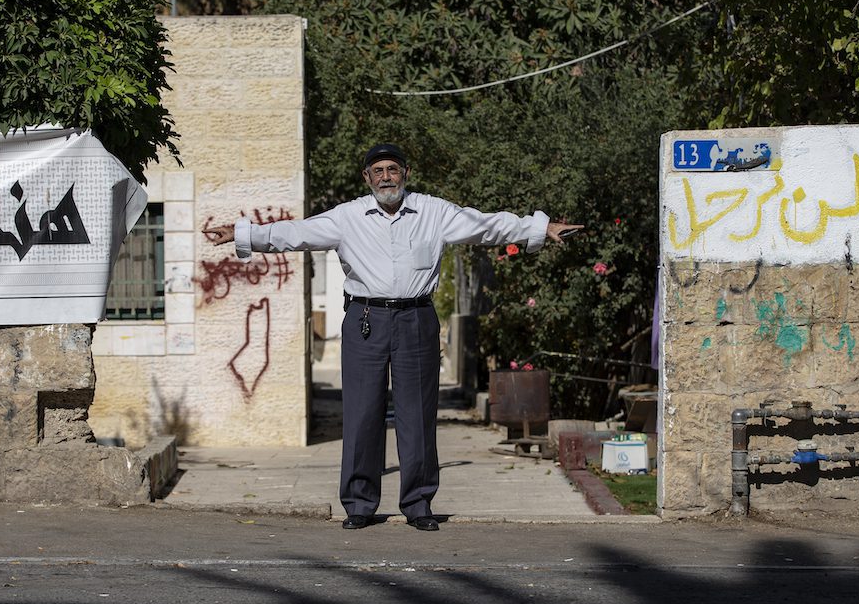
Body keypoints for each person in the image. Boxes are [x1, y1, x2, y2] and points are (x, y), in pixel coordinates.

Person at [208, 143, 580, 531]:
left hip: (417, 318)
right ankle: (359, 504)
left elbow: (487, 226)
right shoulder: (346, 216)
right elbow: (296, 233)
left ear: (406, 174)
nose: (387, 177)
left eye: (393, 169)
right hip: (365, 319)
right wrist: (241, 233)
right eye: (378, 171)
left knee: (417, 415)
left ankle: (418, 504)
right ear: (367, 178)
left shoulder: (434, 212)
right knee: (362, 413)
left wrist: (541, 228)